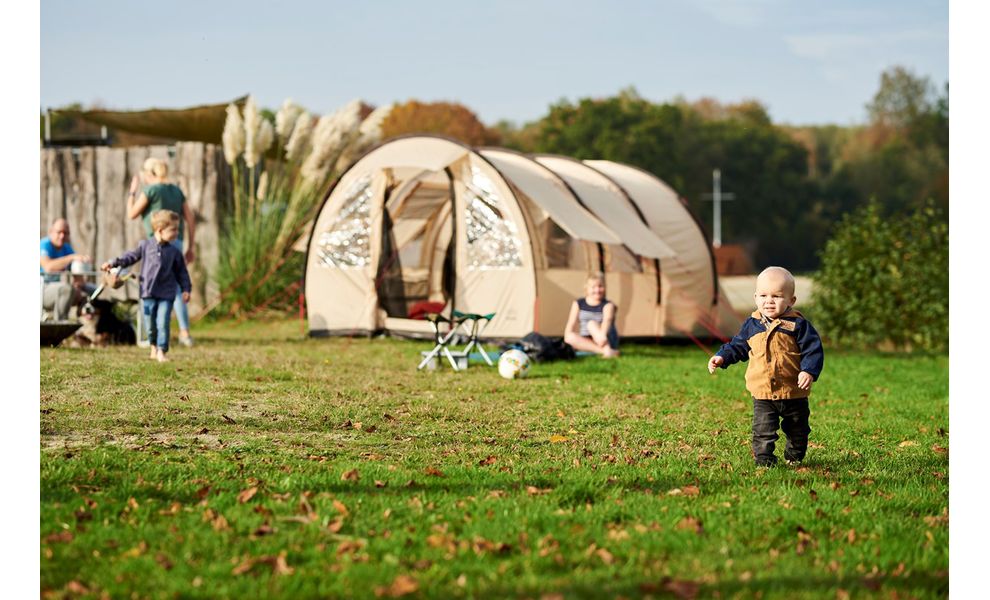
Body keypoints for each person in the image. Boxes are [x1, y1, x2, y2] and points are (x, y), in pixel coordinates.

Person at [707, 266, 824, 467]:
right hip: (762, 391)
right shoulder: (752, 325)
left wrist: (808, 371)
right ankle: (764, 460)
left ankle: (794, 456)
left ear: (791, 300)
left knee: (798, 429)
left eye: (777, 296)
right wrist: (722, 357)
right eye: (763, 295)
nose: (768, 301)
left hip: (793, 392)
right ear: (755, 297)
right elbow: (738, 346)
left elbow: (813, 349)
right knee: (763, 429)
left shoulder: (798, 325)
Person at [102, 210, 191, 363]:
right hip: (148, 292)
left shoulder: (175, 252)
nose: (177, 233)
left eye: (178, 229)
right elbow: (129, 257)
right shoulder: (145, 246)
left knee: (163, 322)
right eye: (174, 229)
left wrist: (186, 289)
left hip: (167, 294)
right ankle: (153, 346)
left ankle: (162, 351)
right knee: (150, 324)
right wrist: (113, 263)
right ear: (160, 230)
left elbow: (182, 272)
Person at [127, 157, 196, 347]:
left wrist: (132, 192)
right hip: (177, 243)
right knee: (174, 288)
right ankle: (184, 332)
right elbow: (190, 219)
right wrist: (191, 246)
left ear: (149, 174)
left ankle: (152, 335)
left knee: (152, 287)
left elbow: (131, 214)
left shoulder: (150, 190)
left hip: (156, 246)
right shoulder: (176, 191)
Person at [40, 218, 92, 320]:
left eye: (66, 233)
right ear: (51, 232)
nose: (62, 236)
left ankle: (86, 327)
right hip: (41, 288)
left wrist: (84, 264)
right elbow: (48, 267)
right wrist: (71, 257)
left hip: (55, 289)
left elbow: (79, 280)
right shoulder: (44, 245)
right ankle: (60, 325)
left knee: (91, 292)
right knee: (66, 289)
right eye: (59, 232)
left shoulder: (66, 248)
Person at [563, 273, 620, 358]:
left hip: (604, 338)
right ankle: (605, 351)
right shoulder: (578, 303)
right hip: (587, 339)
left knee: (591, 324)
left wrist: (602, 337)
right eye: (593, 287)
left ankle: (606, 348)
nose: (597, 290)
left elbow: (606, 321)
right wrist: (567, 338)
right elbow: (571, 322)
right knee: (570, 336)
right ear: (587, 288)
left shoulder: (608, 305)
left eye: (600, 286)